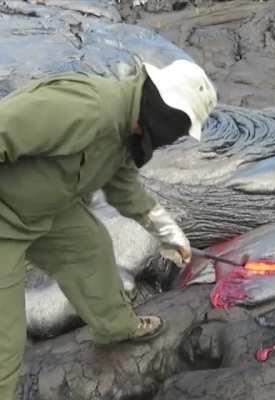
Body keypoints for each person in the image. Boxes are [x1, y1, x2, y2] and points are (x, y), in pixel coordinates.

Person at [0, 59, 217, 399]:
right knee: (5, 342)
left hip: (44, 208)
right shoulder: (85, 108)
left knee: (90, 249)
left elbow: (125, 189)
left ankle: (116, 327)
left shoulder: (129, 130)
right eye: (180, 125)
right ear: (164, 109)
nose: (175, 137)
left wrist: (169, 234)